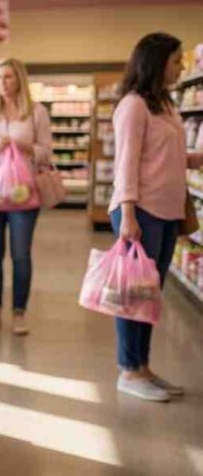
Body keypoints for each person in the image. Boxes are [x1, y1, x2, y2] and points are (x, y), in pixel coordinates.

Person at [109, 32, 201, 402]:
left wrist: (194, 159)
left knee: (150, 297)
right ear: (157, 61)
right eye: (177, 60)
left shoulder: (165, 103)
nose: (182, 67)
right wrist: (128, 215)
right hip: (140, 212)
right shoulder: (133, 106)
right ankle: (128, 370)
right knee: (133, 295)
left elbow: (166, 155)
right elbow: (126, 163)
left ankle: (142, 367)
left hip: (165, 212)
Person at [0, 58, 50, 336]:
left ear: (20, 80)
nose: (3, 83)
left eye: (9, 77)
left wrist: (27, 147)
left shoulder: (36, 112)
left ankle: (19, 312)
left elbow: (46, 152)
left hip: (23, 194)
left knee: (21, 254)